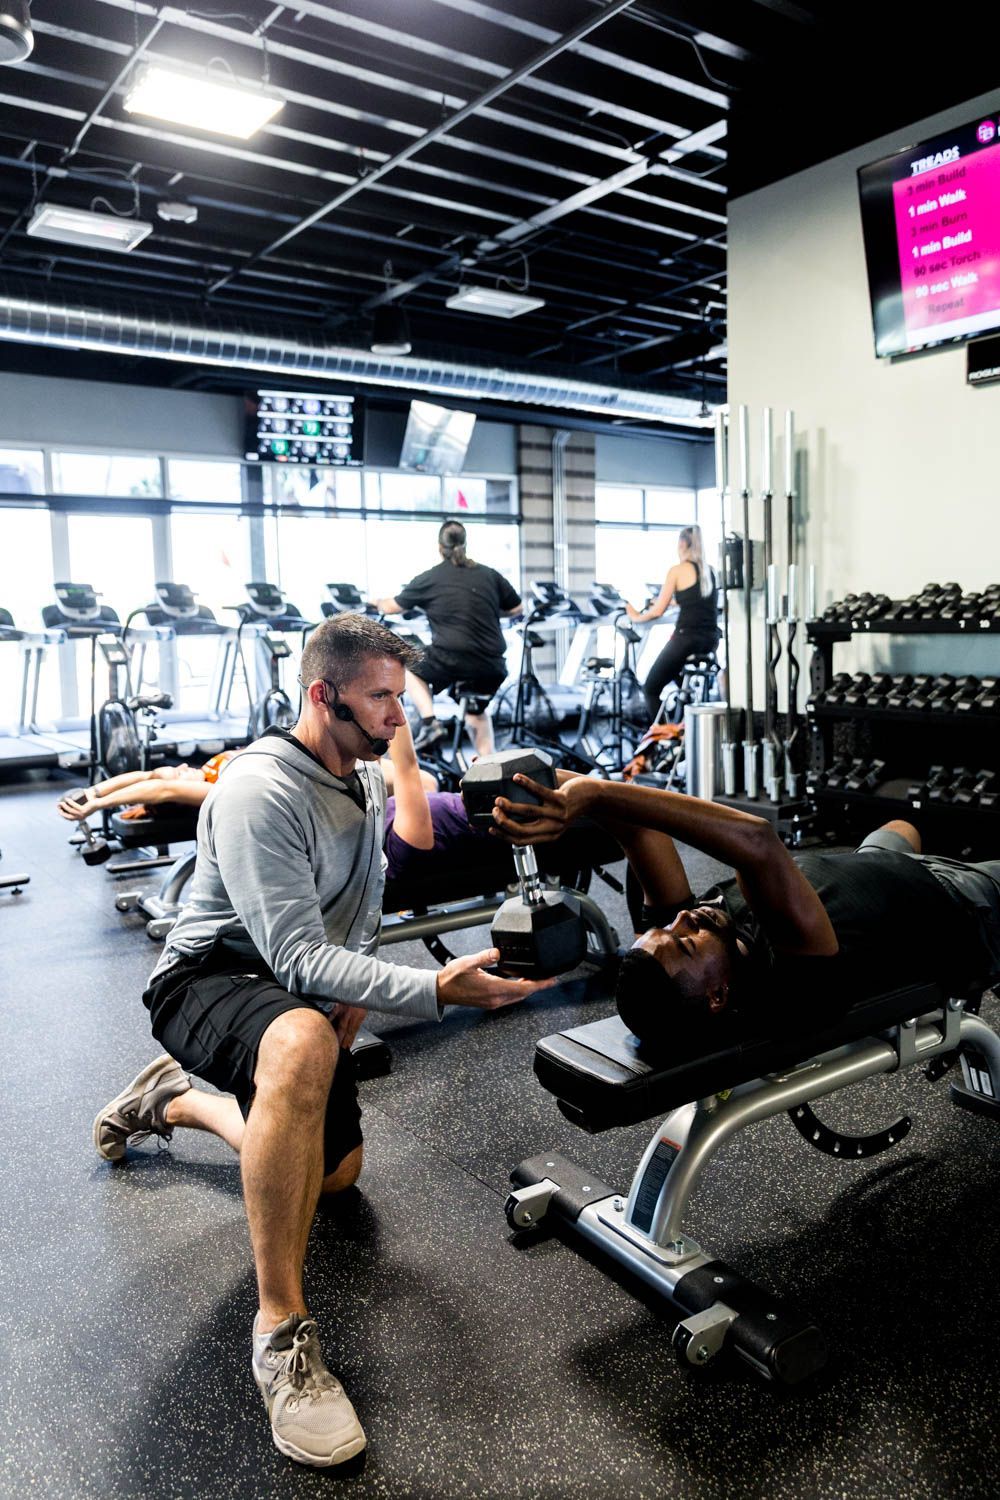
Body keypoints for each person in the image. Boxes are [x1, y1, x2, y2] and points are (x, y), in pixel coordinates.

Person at [92, 614, 550, 1471]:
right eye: (380, 700)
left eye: (399, 698)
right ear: (322, 694)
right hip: (207, 978)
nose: (398, 718)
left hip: (293, 989)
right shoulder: (263, 790)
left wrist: (358, 986)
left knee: (334, 1176)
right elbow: (295, 953)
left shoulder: (363, 774)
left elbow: (365, 903)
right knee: (300, 1042)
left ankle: (175, 1100)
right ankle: (281, 1337)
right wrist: (428, 990)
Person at [490, 775, 1000, 1054]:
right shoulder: (790, 983)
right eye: (685, 941)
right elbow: (756, 841)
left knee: (901, 824)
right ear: (718, 996)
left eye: (666, 928)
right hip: (964, 904)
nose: (683, 920)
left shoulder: (691, 937)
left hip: (871, 867)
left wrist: (541, 786)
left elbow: (640, 831)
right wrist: (598, 792)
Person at [374, 518, 521, 757]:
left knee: (406, 664)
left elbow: (392, 607)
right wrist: (490, 609)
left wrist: (375, 602)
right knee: (476, 712)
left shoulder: (431, 577)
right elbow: (517, 609)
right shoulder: (490, 575)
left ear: (439, 547)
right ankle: (490, 770)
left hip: (452, 660)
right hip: (492, 666)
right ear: (465, 543)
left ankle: (431, 722)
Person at [627, 524, 720, 722]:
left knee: (651, 688)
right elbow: (697, 600)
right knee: (678, 679)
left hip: (687, 638)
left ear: (682, 543)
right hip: (710, 640)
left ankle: (663, 741)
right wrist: (674, 602)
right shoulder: (710, 571)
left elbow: (657, 611)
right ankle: (683, 726)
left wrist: (634, 616)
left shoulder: (677, 570)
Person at [56, 752, 238, 822]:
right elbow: (162, 788)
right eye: (179, 774)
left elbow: (147, 776)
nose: (183, 766)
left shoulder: (206, 771)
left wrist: (93, 792)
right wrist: (98, 805)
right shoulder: (213, 790)